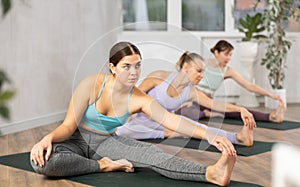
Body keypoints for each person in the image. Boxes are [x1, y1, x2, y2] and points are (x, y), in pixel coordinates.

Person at [30, 41, 239, 186]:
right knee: (43, 162)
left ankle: (211, 173)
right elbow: (68, 126)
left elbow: (172, 120)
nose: (134, 73)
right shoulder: (92, 84)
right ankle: (104, 166)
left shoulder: (138, 98)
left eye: (138, 66)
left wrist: (209, 135)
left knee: (154, 156)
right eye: (126, 67)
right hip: (74, 139)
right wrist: (47, 138)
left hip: (107, 143)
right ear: (112, 67)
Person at [116, 51, 255, 147]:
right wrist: (125, 115)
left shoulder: (191, 92)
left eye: (203, 72)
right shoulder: (159, 77)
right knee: (122, 131)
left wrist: (240, 109)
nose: (201, 75)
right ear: (186, 67)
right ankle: (167, 134)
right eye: (199, 71)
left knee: (198, 126)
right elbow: (133, 96)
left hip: (165, 122)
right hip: (139, 121)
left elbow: (214, 104)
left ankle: (237, 138)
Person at [176, 40, 286, 123]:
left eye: (230, 55)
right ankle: (206, 114)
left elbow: (249, 85)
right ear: (216, 52)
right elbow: (186, 80)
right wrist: (186, 99)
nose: (228, 58)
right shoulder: (202, 63)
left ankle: (271, 117)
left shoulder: (227, 71)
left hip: (209, 103)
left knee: (238, 111)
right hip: (193, 101)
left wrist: (271, 95)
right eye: (226, 54)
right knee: (183, 113)